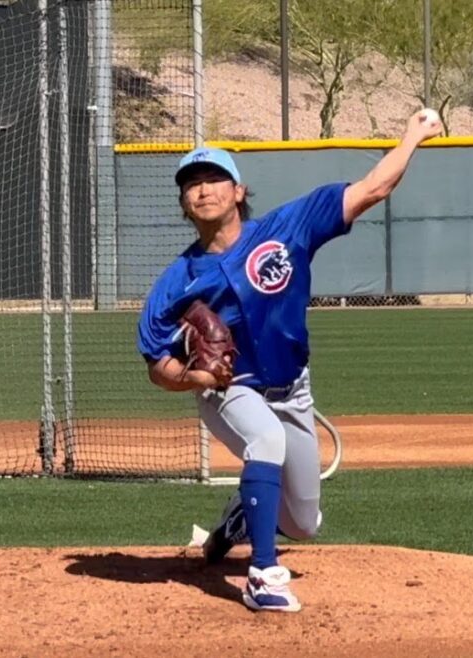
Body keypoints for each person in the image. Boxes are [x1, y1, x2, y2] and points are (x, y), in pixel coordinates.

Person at [136, 110, 442, 612]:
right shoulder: (176, 282)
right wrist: (195, 375)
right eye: (191, 183)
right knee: (265, 438)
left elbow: (371, 189)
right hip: (229, 390)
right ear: (184, 204)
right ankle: (262, 575)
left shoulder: (288, 228)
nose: (203, 189)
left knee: (303, 525)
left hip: (293, 389)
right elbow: (157, 364)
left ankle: (240, 518)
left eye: (215, 178)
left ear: (239, 191)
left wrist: (412, 137)